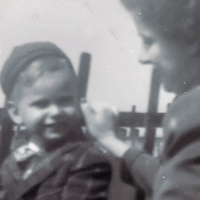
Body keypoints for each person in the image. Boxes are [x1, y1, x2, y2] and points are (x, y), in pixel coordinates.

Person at [81, 0, 200, 200]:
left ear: (192, 41)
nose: (142, 57)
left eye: (148, 41)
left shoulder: (192, 110)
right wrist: (109, 138)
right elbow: (169, 178)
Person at [0, 42, 111, 200]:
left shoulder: (86, 160)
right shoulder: (14, 159)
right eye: (41, 104)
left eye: (65, 100)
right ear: (16, 113)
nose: (56, 112)